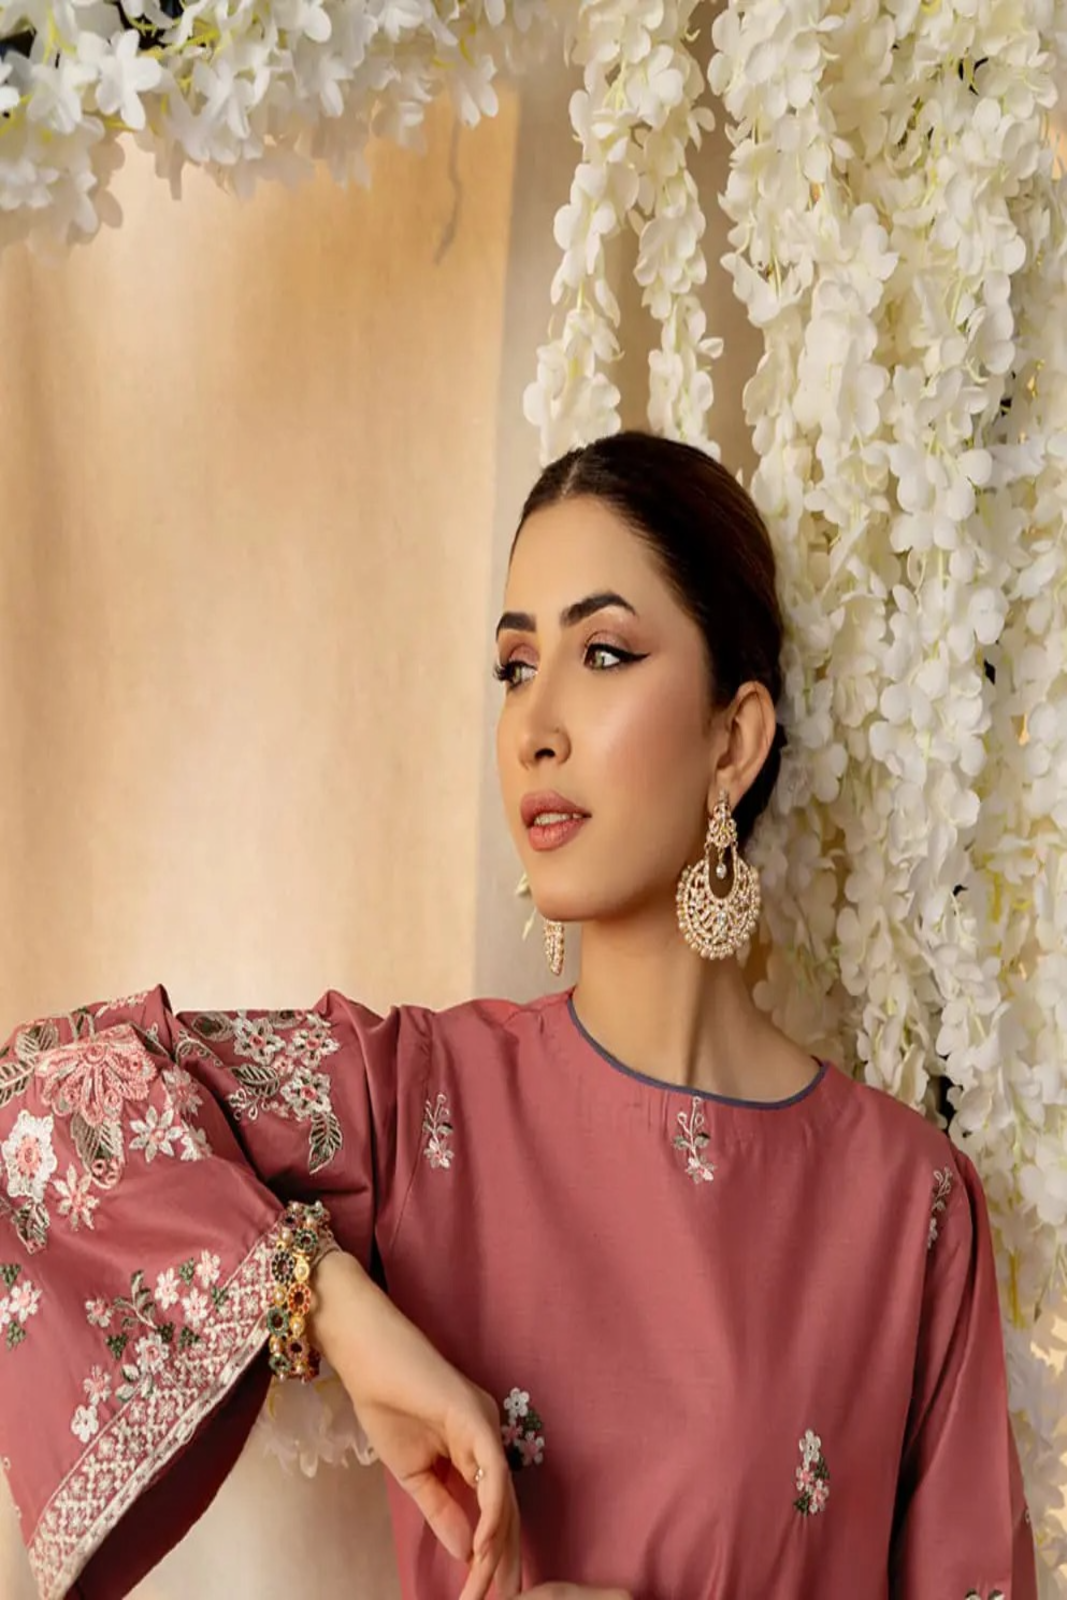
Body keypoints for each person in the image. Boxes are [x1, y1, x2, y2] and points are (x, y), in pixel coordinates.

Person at [0, 434, 1036, 1600]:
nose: (535, 723)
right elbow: (36, 1109)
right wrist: (328, 1302)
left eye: (602, 653)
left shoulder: (909, 1205)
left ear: (732, 739)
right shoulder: (418, 1105)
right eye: (512, 666)